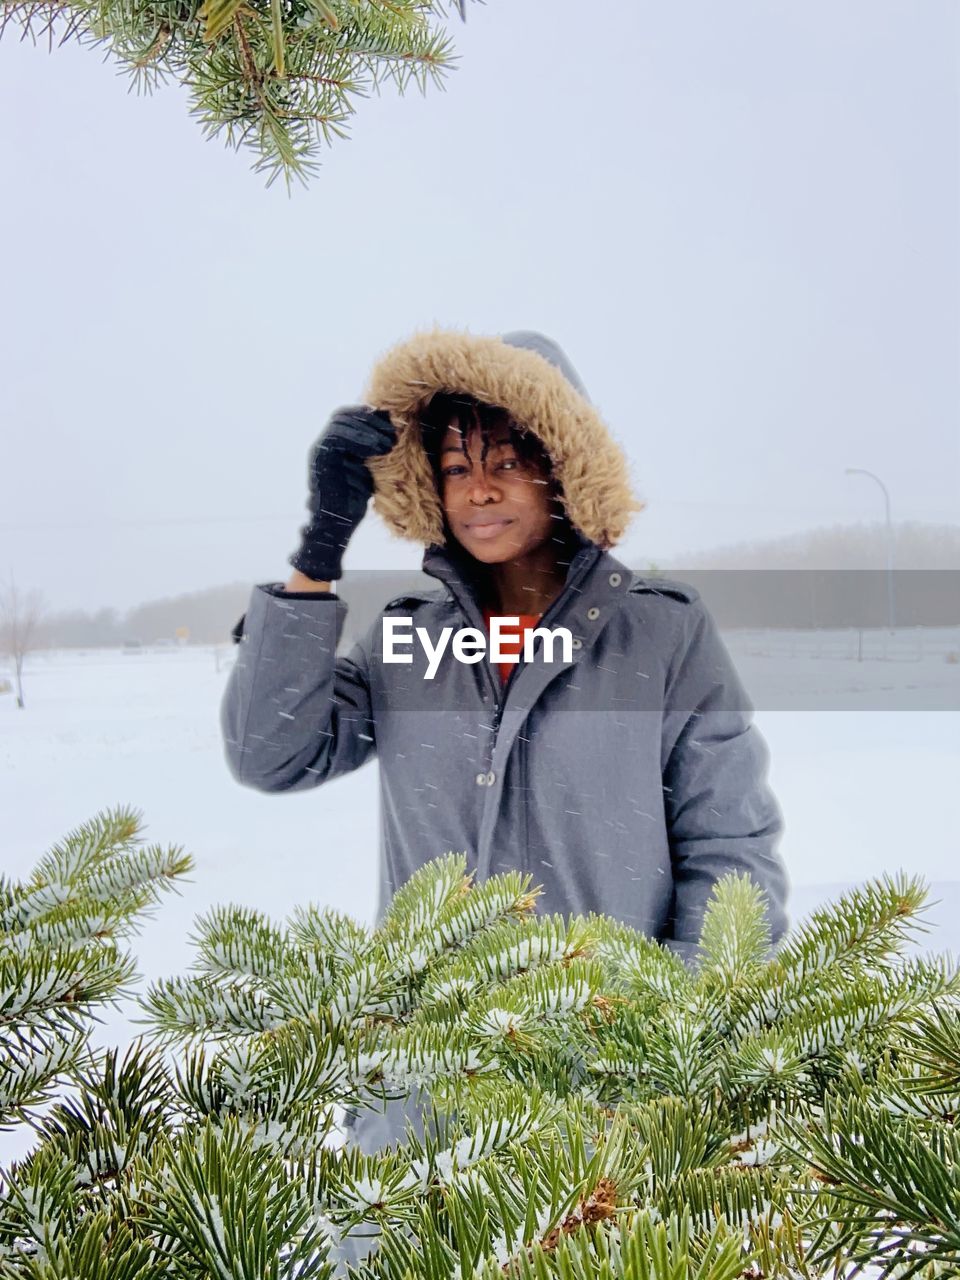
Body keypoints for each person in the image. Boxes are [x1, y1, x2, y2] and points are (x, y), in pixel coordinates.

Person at [220, 328, 791, 1153]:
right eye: (456, 467)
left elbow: (732, 851)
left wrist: (667, 1045)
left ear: (562, 464)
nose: (479, 491)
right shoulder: (406, 642)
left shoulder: (661, 636)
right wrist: (318, 553)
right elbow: (269, 752)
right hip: (418, 1109)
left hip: (605, 1110)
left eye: (505, 462)